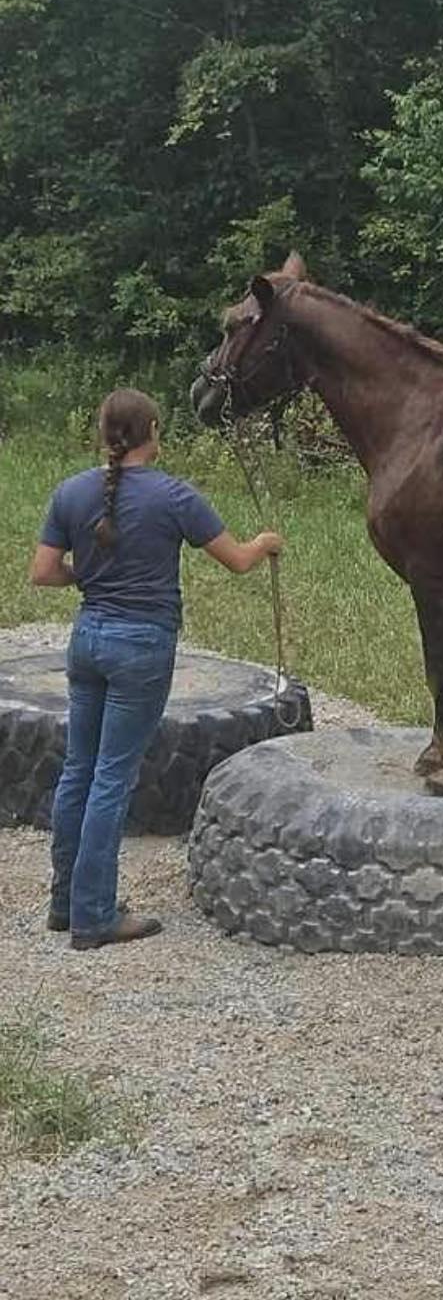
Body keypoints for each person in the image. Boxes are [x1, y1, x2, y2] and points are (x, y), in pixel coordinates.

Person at [29, 387, 284, 950]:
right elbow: (238, 561)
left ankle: (65, 901)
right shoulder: (175, 496)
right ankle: (94, 917)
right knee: (111, 778)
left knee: (80, 769)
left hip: (88, 637)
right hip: (142, 646)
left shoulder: (71, 491)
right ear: (153, 432)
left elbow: (44, 572)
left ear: (104, 435)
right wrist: (265, 542)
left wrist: (88, 579)